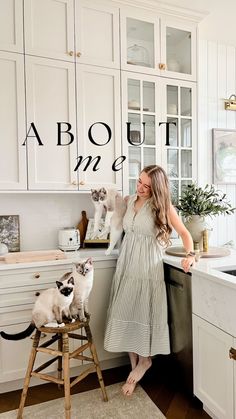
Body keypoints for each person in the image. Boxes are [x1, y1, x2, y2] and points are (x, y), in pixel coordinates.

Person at [104, 165, 195, 396]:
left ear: (157, 188)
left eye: (147, 186)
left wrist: (190, 256)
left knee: (142, 312)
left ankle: (145, 362)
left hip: (146, 268)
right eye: (139, 182)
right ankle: (135, 366)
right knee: (126, 312)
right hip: (126, 264)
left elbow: (185, 234)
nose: (141, 188)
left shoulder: (162, 207)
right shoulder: (130, 199)